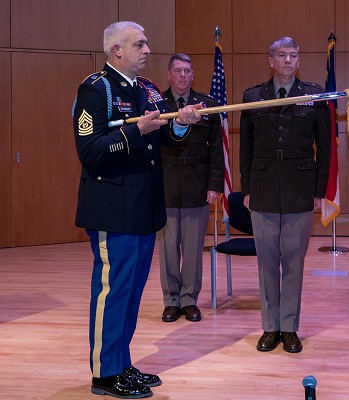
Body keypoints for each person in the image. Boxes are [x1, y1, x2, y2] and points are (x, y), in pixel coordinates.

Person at [72, 21, 205, 398]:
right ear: (117, 50)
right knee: (112, 291)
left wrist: (181, 124)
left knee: (130, 293)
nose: (148, 50)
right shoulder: (95, 89)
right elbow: (90, 152)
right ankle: (104, 374)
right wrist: (136, 131)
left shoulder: (146, 89)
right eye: (140, 44)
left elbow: (167, 138)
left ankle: (121, 364)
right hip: (112, 209)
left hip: (144, 208)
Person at [239, 37, 331, 353]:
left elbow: (326, 149)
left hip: (299, 190)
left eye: (294, 55)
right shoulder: (253, 96)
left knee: (293, 263)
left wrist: (319, 192)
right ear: (271, 60)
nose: (288, 60)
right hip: (263, 190)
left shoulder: (314, 96)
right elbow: (245, 149)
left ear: (298, 60)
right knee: (266, 263)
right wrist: (247, 189)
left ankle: (289, 328)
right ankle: (270, 327)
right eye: (282, 55)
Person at [158, 53, 224, 323]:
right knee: (168, 248)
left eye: (187, 71)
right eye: (178, 71)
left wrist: (215, 185)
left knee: (194, 248)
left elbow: (217, 149)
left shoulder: (207, 104)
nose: (183, 75)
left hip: (198, 182)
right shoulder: (156, 104)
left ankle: (189, 300)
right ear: (169, 74)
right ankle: (171, 300)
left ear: (193, 74)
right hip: (166, 182)